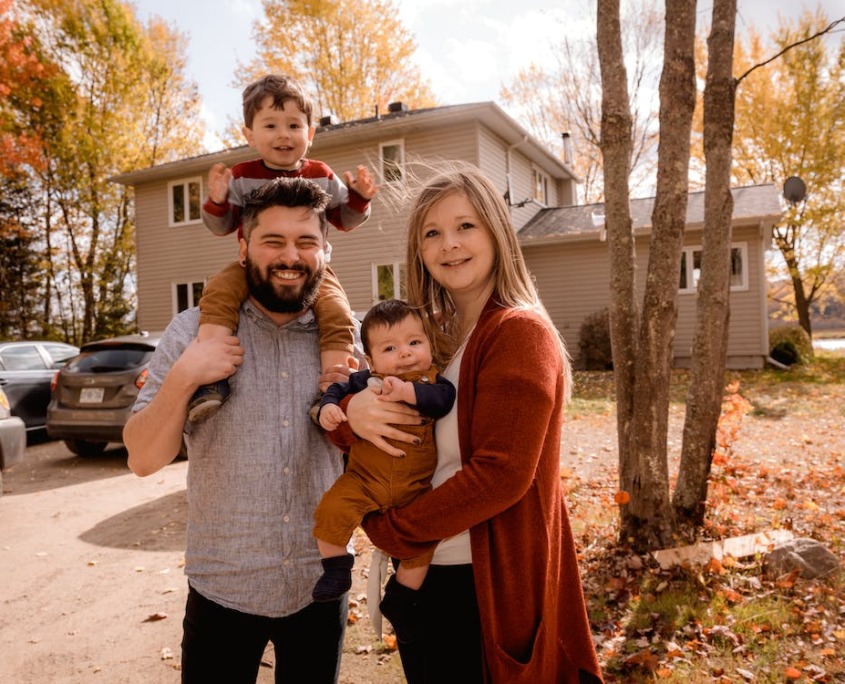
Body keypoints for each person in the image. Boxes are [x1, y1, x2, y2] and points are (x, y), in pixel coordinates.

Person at [328, 164, 604, 682]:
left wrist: (390, 531)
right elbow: (363, 419)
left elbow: (500, 474)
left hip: (477, 586)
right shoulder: (430, 340)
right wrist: (352, 413)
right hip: (432, 579)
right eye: (433, 233)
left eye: (465, 226)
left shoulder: (518, 332)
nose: (449, 244)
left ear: (497, 231)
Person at [124, 177, 360, 684]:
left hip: (319, 586)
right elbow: (142, 459)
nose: (289, 256)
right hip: (221, 588)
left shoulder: (346, 342)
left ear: (326, 249)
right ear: (243, 245)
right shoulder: (191, 331)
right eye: (273, 241)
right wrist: (187, 373)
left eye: (306, 242)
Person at [190, 73, 377, 421]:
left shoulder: (321, 174)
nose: (283, 135)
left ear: (310, 133)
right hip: (253, 268)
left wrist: (360, 199)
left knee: (337, 313)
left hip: (314, 273)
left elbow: (343, 220)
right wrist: (217, 201)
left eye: (293, 125)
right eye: (271, 125)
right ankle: (210, 380)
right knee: (217, 295)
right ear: (249, 134)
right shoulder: (242, 176)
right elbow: (222, 226)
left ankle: (333, 391)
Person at [312, 299, 456, 645]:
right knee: (330, 510)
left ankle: (402, 598)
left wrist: (408, 390)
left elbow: (443, 401)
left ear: (428, 345)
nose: (405, 354)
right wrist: (328, 407)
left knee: (422, 547)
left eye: (414, 343)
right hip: (364, 481)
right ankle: (336, 568)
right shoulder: (366, 380)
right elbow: (336, 388)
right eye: (390, 348)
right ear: (371, 360)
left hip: (414, 489)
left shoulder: (434, 381)